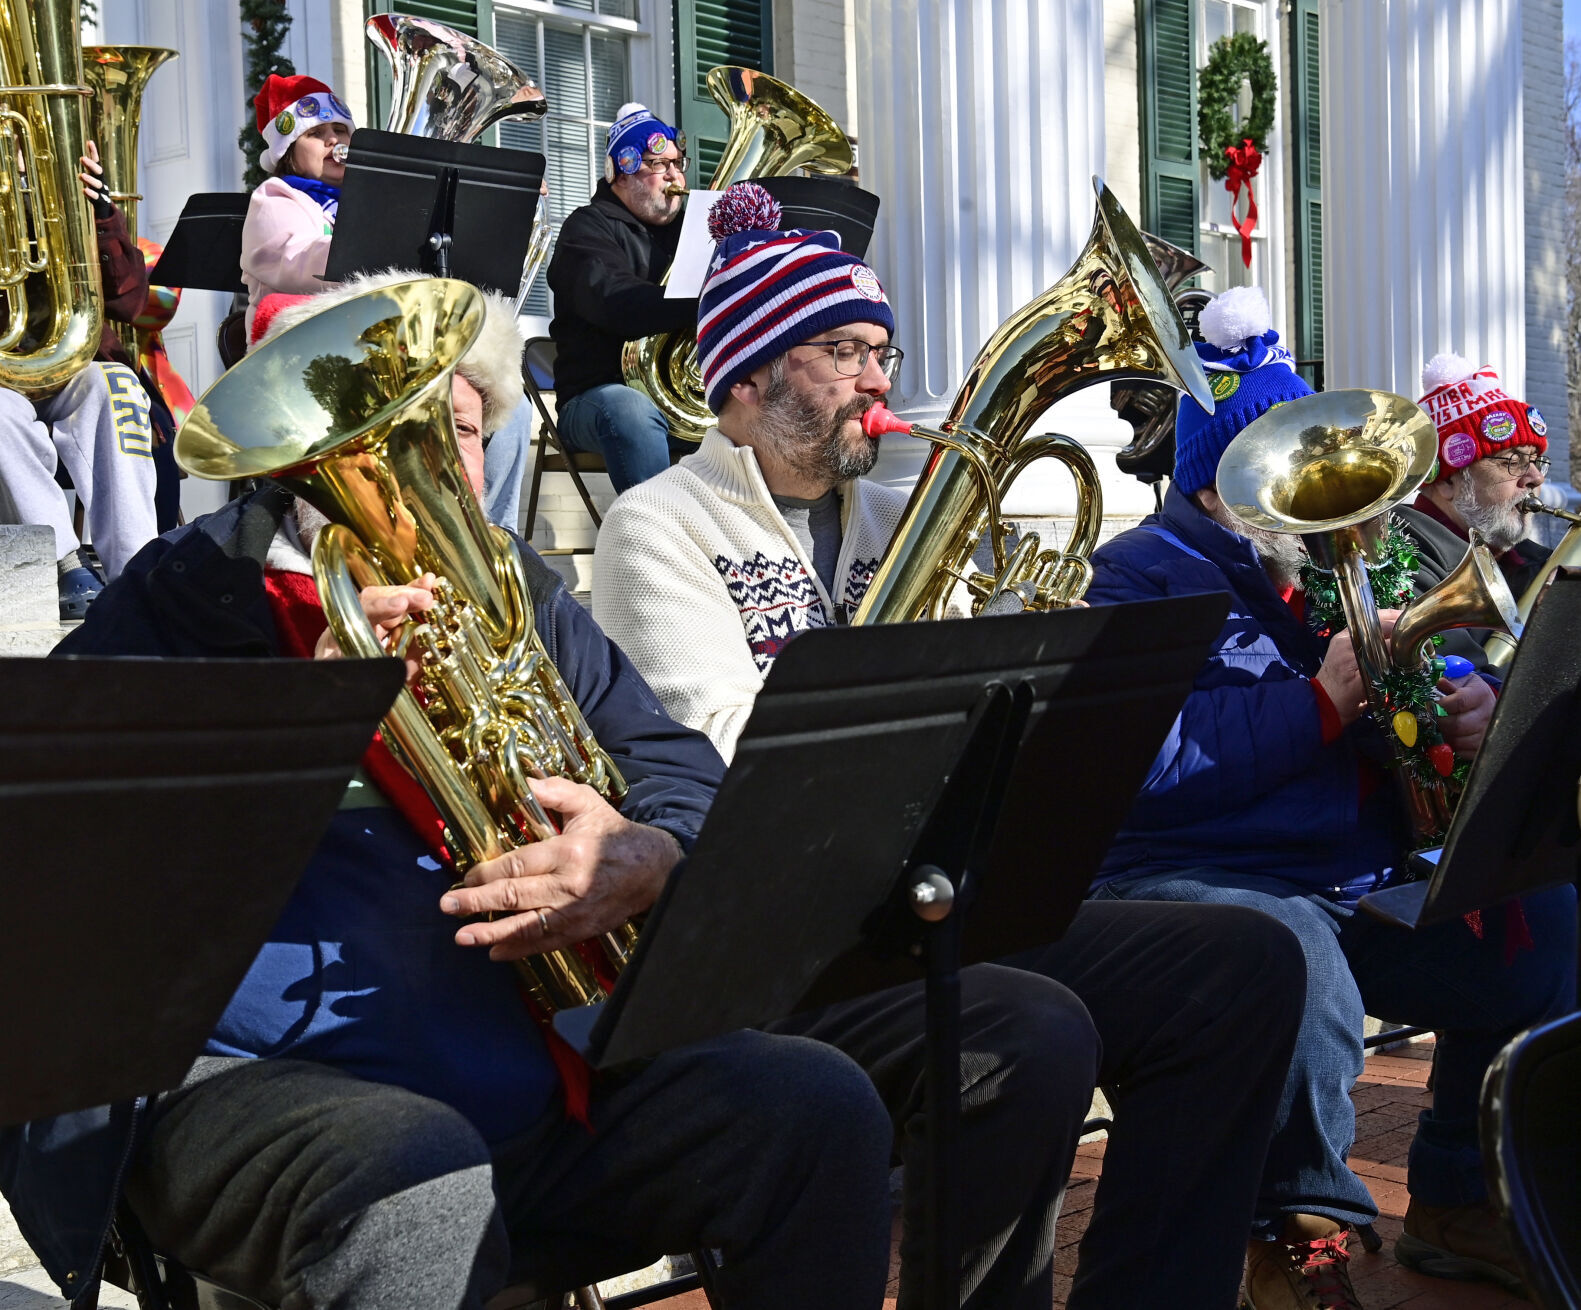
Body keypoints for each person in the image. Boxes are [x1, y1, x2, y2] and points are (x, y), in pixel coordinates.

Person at [2, 272, 1099, 1310]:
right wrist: (298, 709)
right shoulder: (188, 599)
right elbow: (60, 826)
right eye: (399, 436)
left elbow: (682, 769)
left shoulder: (516, 585)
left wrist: (645, 849)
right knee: (412, 1176)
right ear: (296, 459)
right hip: (255, 1072)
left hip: (535, 1056)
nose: (433, 472)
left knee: (811, 1104)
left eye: (459, 432)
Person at [592, 184, 1310, 1308]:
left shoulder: (896, 517)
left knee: (1247, 965)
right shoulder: (658, 526)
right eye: (844, 349)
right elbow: (730, 763)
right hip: (789, 946)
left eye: (886, 350)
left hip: (925, 903)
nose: (881, 376)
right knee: (1029, 1028)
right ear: (748, 376)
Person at [1081, 285, 1578, 1309]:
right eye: (1283, 470)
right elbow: (1148, 761)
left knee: (1542, 919)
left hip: (1347, 869)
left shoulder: (1330, 562)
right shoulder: (1138, 574)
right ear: (1219, 479)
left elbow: (1410, 711)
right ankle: (1297, 1238)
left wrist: (1463, 713)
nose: (1313, 493)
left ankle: (1459, 1192)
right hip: (1200, 876)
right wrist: (1321, 698)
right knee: (1297, 966)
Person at [0, 140, 159, 616]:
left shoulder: (61, 198)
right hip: (4, 383)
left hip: (67, 364)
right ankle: (62, 563)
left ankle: (138, 569)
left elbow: (129, 304)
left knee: (115, 387)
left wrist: (100, 215)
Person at [546, 103, 697, 493]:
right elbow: (617, 303)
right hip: (596, 398)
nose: (674, 175)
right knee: (630, 410)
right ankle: (658, 546)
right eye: (658, 165)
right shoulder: (585, 228)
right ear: (622, 171)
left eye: (678, 164)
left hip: (679, 399)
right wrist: (703, 301)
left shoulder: (693, 229)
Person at [1396, 353, 1554, 666]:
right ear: (1449, 481)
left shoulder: (1536, 563)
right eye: (1513, 460)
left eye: (1537, 461)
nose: (1535, 477)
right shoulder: (1400, 559)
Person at [238, 73, 354, 340]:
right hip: (295, 346)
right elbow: (297, 264)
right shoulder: (274, 198)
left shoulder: (364, 197)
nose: (333, 141)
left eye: (339, 130)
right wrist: (375, 244)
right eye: (315, 133)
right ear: (288, 150)